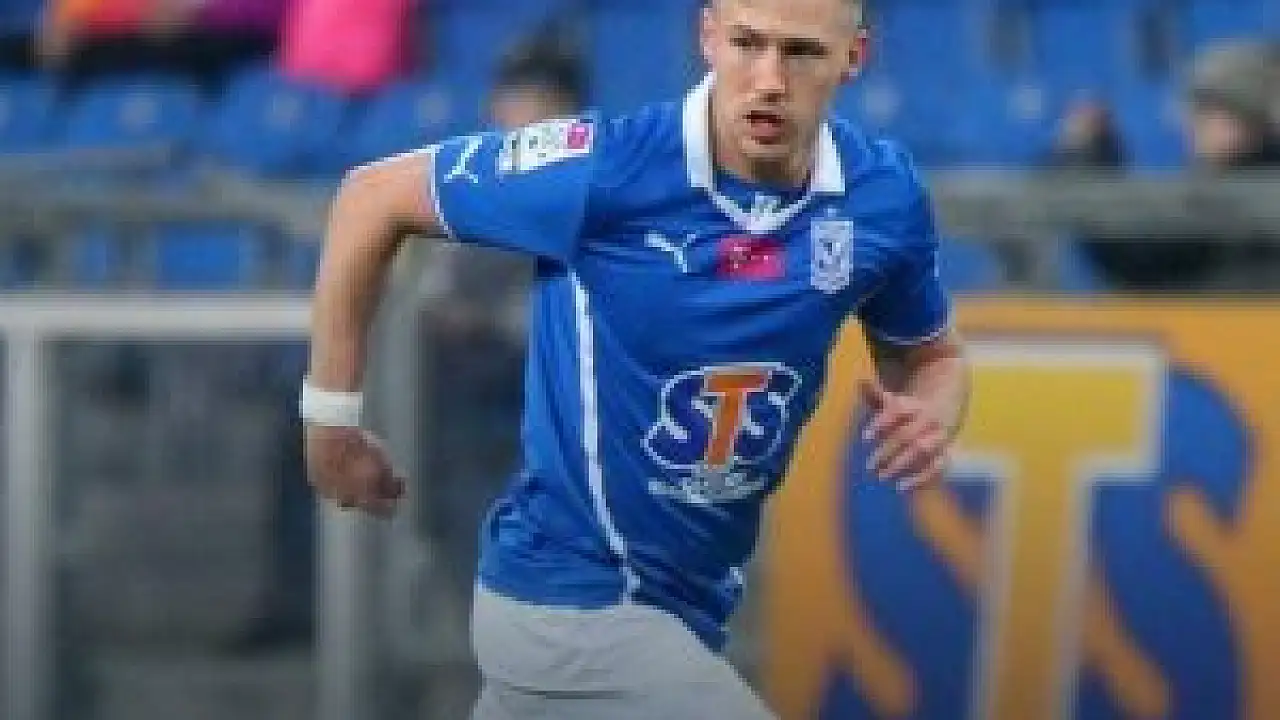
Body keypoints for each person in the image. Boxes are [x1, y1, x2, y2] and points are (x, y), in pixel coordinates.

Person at [300, 0, 970, 717]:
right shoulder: (604, 169)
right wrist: (330, 421)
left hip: (684, 608)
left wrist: (932, 408)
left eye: (802, 52)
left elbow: (929, 355)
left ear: (853, 58)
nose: (770, 79)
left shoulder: (881, 196)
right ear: (708, 36)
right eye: (748, 43)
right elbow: (370, 198)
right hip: (571, 602)